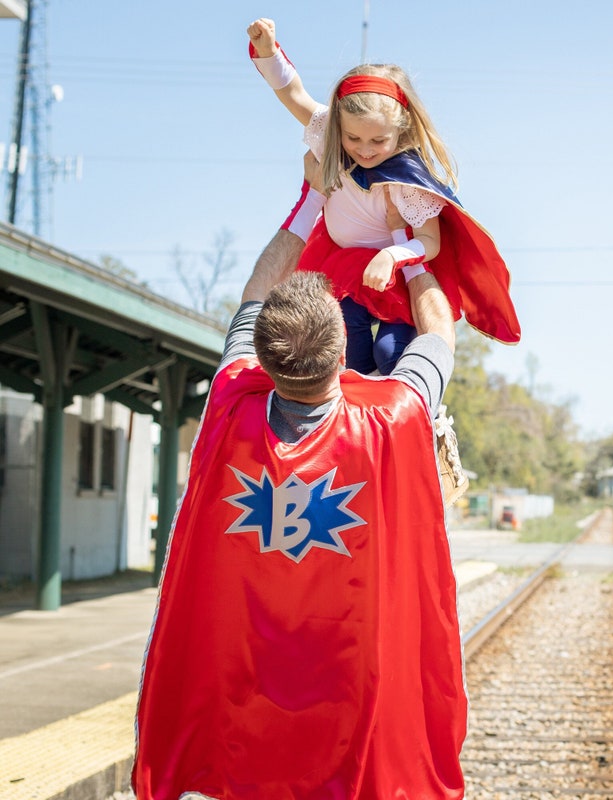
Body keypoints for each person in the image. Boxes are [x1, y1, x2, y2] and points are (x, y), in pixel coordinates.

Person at [130, 157, 468, 800]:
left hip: (247, 708)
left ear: (262, 356)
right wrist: (408, 247)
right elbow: (438, 334)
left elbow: (254, 294)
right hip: (351, 702)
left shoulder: (229, 403)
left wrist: (312, 200)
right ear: (344, 353)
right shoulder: (393, 416)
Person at [247, 16, 520, 375]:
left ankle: (418, 400)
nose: (364, 150)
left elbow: (430, 241)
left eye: (378, 141)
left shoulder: (409, 179)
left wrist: (392, 255)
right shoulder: (329, 136)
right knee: (348, 355)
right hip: (342, 266)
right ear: (339, 126)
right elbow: (293, 94)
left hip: (397, 274)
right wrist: (268, 54)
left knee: (390, 353)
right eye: (354, 138)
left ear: (401, 131)